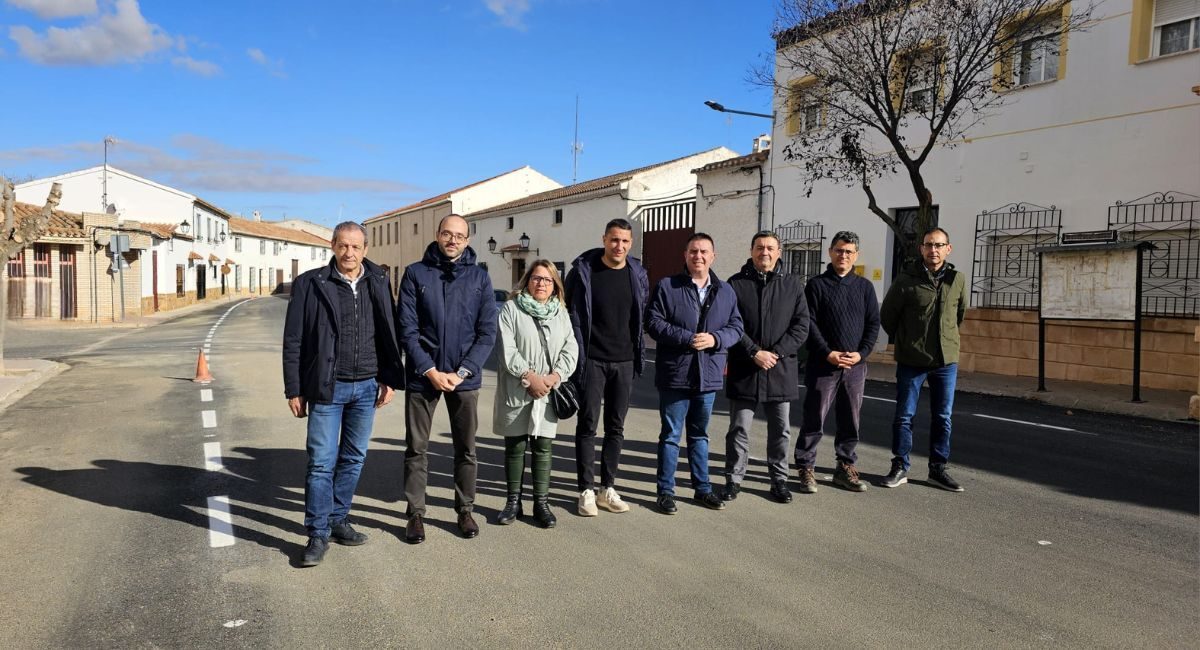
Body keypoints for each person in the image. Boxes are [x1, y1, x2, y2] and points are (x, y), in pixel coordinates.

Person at [282, 221, 404, 567]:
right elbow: (294, 340)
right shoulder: (311, 283)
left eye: (356, 247)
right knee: (321, 463)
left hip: (367, 386)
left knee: (354, 458)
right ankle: (317, 534)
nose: (349, 253)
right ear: (333, 246)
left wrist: (389, 378)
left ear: (365, 249)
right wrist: (295, 388)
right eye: (343, 246)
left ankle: (338, 519)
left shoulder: (378, 280)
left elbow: (388, 332)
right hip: (326, 386)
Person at [397, 214, 498, 543]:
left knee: (466, 449)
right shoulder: (415, 274)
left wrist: (462, 372)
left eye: (459, 235)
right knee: (416, 448)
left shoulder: (480, 278)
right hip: (422, 376)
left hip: (464, 379)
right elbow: (407, 331)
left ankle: (465, 510)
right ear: (437, 235)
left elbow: (487, 334)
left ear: (467, 240)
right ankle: (415, 515)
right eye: (447, 233)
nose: (452, 240)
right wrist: (430, 370)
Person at [645, 233, 743, 515]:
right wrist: (686, 337)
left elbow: (737, 327)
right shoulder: (668, 286)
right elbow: (653, 321)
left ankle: (702, 488)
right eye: (693, 251)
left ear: (713, 256)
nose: (698, 256)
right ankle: (665, 491)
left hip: (708, 375)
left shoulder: (725, 291)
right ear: (685, 255)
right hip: (676, 373)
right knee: (671, 435)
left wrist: (715, 339)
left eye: (704, 251)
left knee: (700, 435)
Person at [564, 218, 649, 517]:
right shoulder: (583, 272)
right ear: (604, 239)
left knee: (616, 427)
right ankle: (586, 489)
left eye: (625, 241)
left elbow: (640, 315)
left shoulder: (637, 274)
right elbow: (568, 313)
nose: (619, 246)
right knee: (587, 425)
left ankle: (607, 488)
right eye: (614, 240)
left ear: (631, 243)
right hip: (592, 361)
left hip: (624, 361)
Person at [722, 230, 809, 504]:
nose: (765, 253)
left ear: (779, 252)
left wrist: (776, 353)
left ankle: (779, 480)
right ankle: (734, 479)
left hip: (780, 370)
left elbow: (801, 325)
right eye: (760, 247)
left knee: (780, 430)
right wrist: (754, 351)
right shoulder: (735, 284)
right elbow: (731, 324)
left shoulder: (793, 285)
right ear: (751, 251)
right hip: (745, 368)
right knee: (739, 428)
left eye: (771, 248)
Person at [880, 227, 969, 492]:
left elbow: (959, 315)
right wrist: (905, 341)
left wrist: (946, 340)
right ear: (921, 248)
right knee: (904, 416)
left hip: (945, 360)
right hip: (911, 360)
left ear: (948, 249)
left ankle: (938, 469)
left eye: (939, 245)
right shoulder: (906, 279)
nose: (934, 250)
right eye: (929, 245)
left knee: (943, 417)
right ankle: (900, 466)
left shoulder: (957, 279)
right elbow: (888, 315)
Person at [494, 261, 579, 528]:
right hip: (518, 387)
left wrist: (554, 378)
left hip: (549, 389)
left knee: (543, 447)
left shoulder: (560, 312)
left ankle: (541, 503)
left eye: (547, 280)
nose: (541, 283)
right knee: (515, 446)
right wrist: (529, 376)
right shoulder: (511, 309)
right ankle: (513, 502)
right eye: (536, 278)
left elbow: (570, 348)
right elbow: (507, 349)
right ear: (527, 280)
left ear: (555, 285)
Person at [796, 231, 880, 494]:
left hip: (855, 367)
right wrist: (827, 353)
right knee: (814, 418)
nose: (843, 255)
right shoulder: (816, 285)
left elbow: (873, 324)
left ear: (856, 255)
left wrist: (861, 354)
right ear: (830, 252)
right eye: (839, 250)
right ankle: (806, 467)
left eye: (849, 251)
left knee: (850, 420)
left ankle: (844, 467)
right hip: (824, 364)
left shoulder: (865, 287)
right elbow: (809, 323)